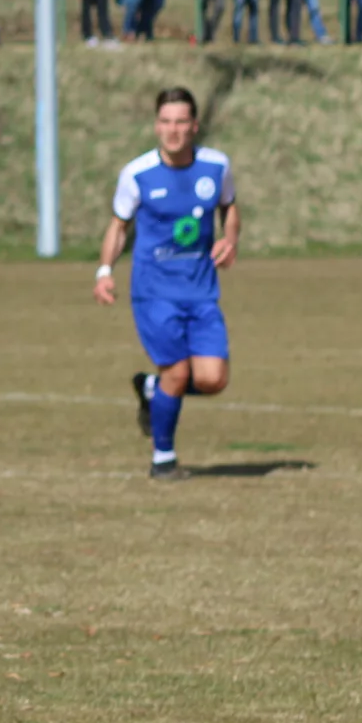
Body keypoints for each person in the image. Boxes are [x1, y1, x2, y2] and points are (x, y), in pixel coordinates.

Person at [94, 87, 239, 481]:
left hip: (202, 290)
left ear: (194, 126)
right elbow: (119, 226)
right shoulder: (137, 174)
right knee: (177, 371)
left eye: (180, 122)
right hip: (154, 291)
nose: (172, 131)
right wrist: (104, 271)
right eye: (165, 122)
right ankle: (163, 459)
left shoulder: (216, 167)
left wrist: (230, 237)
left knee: (213, 379)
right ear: (156, 125)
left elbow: (229, 206)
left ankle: (152, 390)